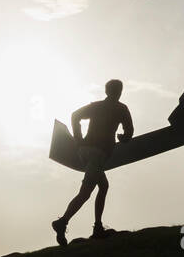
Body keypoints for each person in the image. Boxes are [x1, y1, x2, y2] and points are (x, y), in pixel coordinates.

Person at [52, 79, 134, 244]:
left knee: (103, 186)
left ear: (106, 91)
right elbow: (129, 130)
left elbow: (75, 115)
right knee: (85, 193)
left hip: (84, 152)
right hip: (97, 154)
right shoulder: (121, 108)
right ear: (120, 92)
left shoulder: (96, 106)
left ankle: (97, 227)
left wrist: (78, 139)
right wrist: (123, 137)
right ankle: (63, 222)